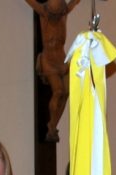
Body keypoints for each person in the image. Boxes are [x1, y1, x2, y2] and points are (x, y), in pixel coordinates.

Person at [25, 0, 80, 142]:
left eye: (58, 14)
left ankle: (53, 124)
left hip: (62, 59)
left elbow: (74, 2)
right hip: (48, 60)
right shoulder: (43, 14)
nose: (56, 17)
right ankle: (51, 127)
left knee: (67, 92)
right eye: (53, 14)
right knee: (59, 91)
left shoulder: (63, 14)